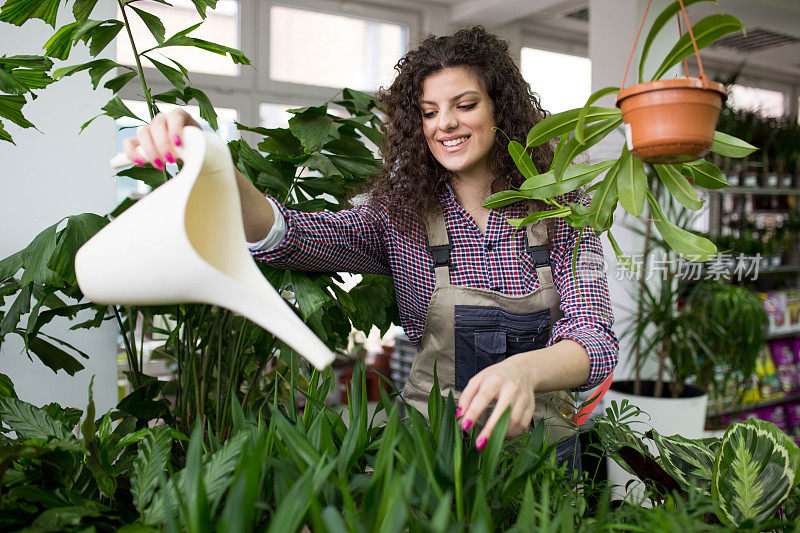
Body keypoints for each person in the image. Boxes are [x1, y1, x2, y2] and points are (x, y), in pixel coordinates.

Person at [123, 26, 618, 468]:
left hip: (539, 460)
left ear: (501, 110)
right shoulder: (399, 216)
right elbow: (288, 237)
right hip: (429, 454)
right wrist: (211, 158)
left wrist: (525, 371)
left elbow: (593, 340)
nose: (444, 123)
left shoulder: (562, 210)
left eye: (464, 105)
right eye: (429, 112)